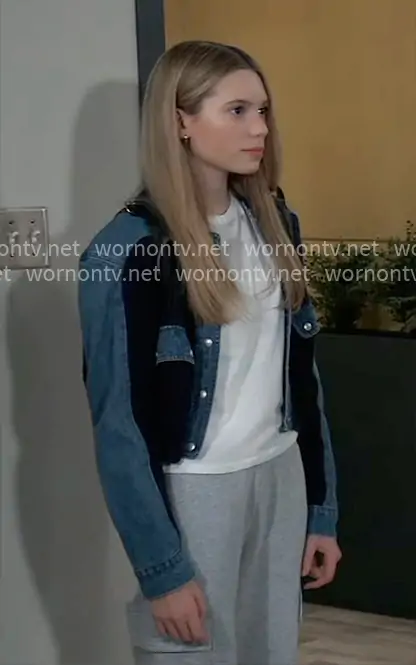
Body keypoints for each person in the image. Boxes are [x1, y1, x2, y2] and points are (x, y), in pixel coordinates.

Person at [78, 40, 342, 665]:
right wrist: (162, 569)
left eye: (263, 110)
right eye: (238, 111)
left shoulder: (275, 222)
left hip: (279, 475)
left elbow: (302, 380)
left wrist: (320, 509)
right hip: (194, 495)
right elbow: (119, 425)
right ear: (181, 121)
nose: (260, 128)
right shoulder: (127, 249)